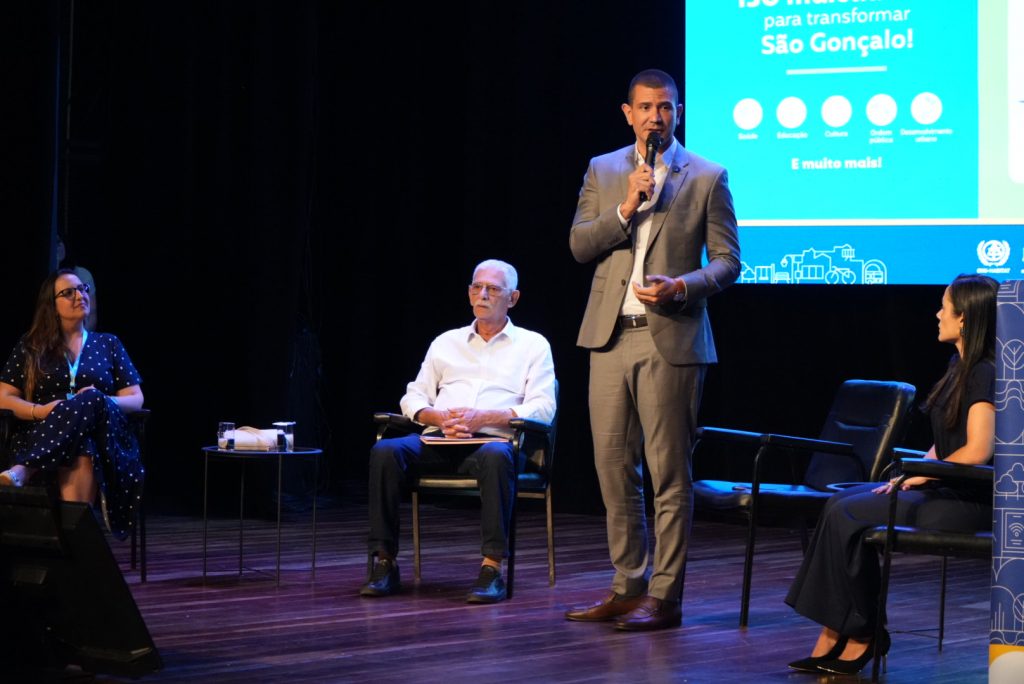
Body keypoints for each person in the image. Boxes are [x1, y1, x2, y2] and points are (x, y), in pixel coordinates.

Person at [565, 68, 740, 631]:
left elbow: (728, 262)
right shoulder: (604, 170)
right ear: (628, 114)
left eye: (664, 107)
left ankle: (665, 596)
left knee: (668, 473)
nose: (655, 117)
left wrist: (683, 286)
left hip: (671, 336)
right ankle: (627, 586)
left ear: (678, 113)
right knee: (613, 468)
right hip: (608, 336)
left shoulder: (707, 176)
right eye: (645, 108)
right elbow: (579, 244)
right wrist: (625, 207)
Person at [785, 274, 998, 675]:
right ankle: (841, 629)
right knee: (840, 501)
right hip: (946, 488)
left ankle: (859, 634)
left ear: (965, 317)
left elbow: (978, 450)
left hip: (970, 500)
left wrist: (926, 475)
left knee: (848, 512)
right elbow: (946, 442)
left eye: (944, 307)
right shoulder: (960, 365)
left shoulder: (986, 371)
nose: (937, 314)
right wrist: (911, 471)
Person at [361, 259, 556, 604]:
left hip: (494, 443)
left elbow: (543, 407)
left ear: (513, 298)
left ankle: (491, 569)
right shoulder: (446, 342)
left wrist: (486, 418)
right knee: (386, 450)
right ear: (469, 293)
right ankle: (385, 562)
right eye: (477, 287)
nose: (483, 295)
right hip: (438, 440)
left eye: (493, 289)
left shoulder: (533, 345)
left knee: (497, 455)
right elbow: (413, 395)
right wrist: (435, 416)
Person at [0, 268, 145, 540]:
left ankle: (25, 469)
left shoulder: (109, 343)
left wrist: (100, 400)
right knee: (83, 443)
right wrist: (39, 410)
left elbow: (136, 399)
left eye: (83, 289)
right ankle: (78, 543)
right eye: (69, 292)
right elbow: (4, 397)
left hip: (103, 435)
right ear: (51, 306)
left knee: (91, 402)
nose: (80, 296)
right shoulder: (32, 346)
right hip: (41, 432)